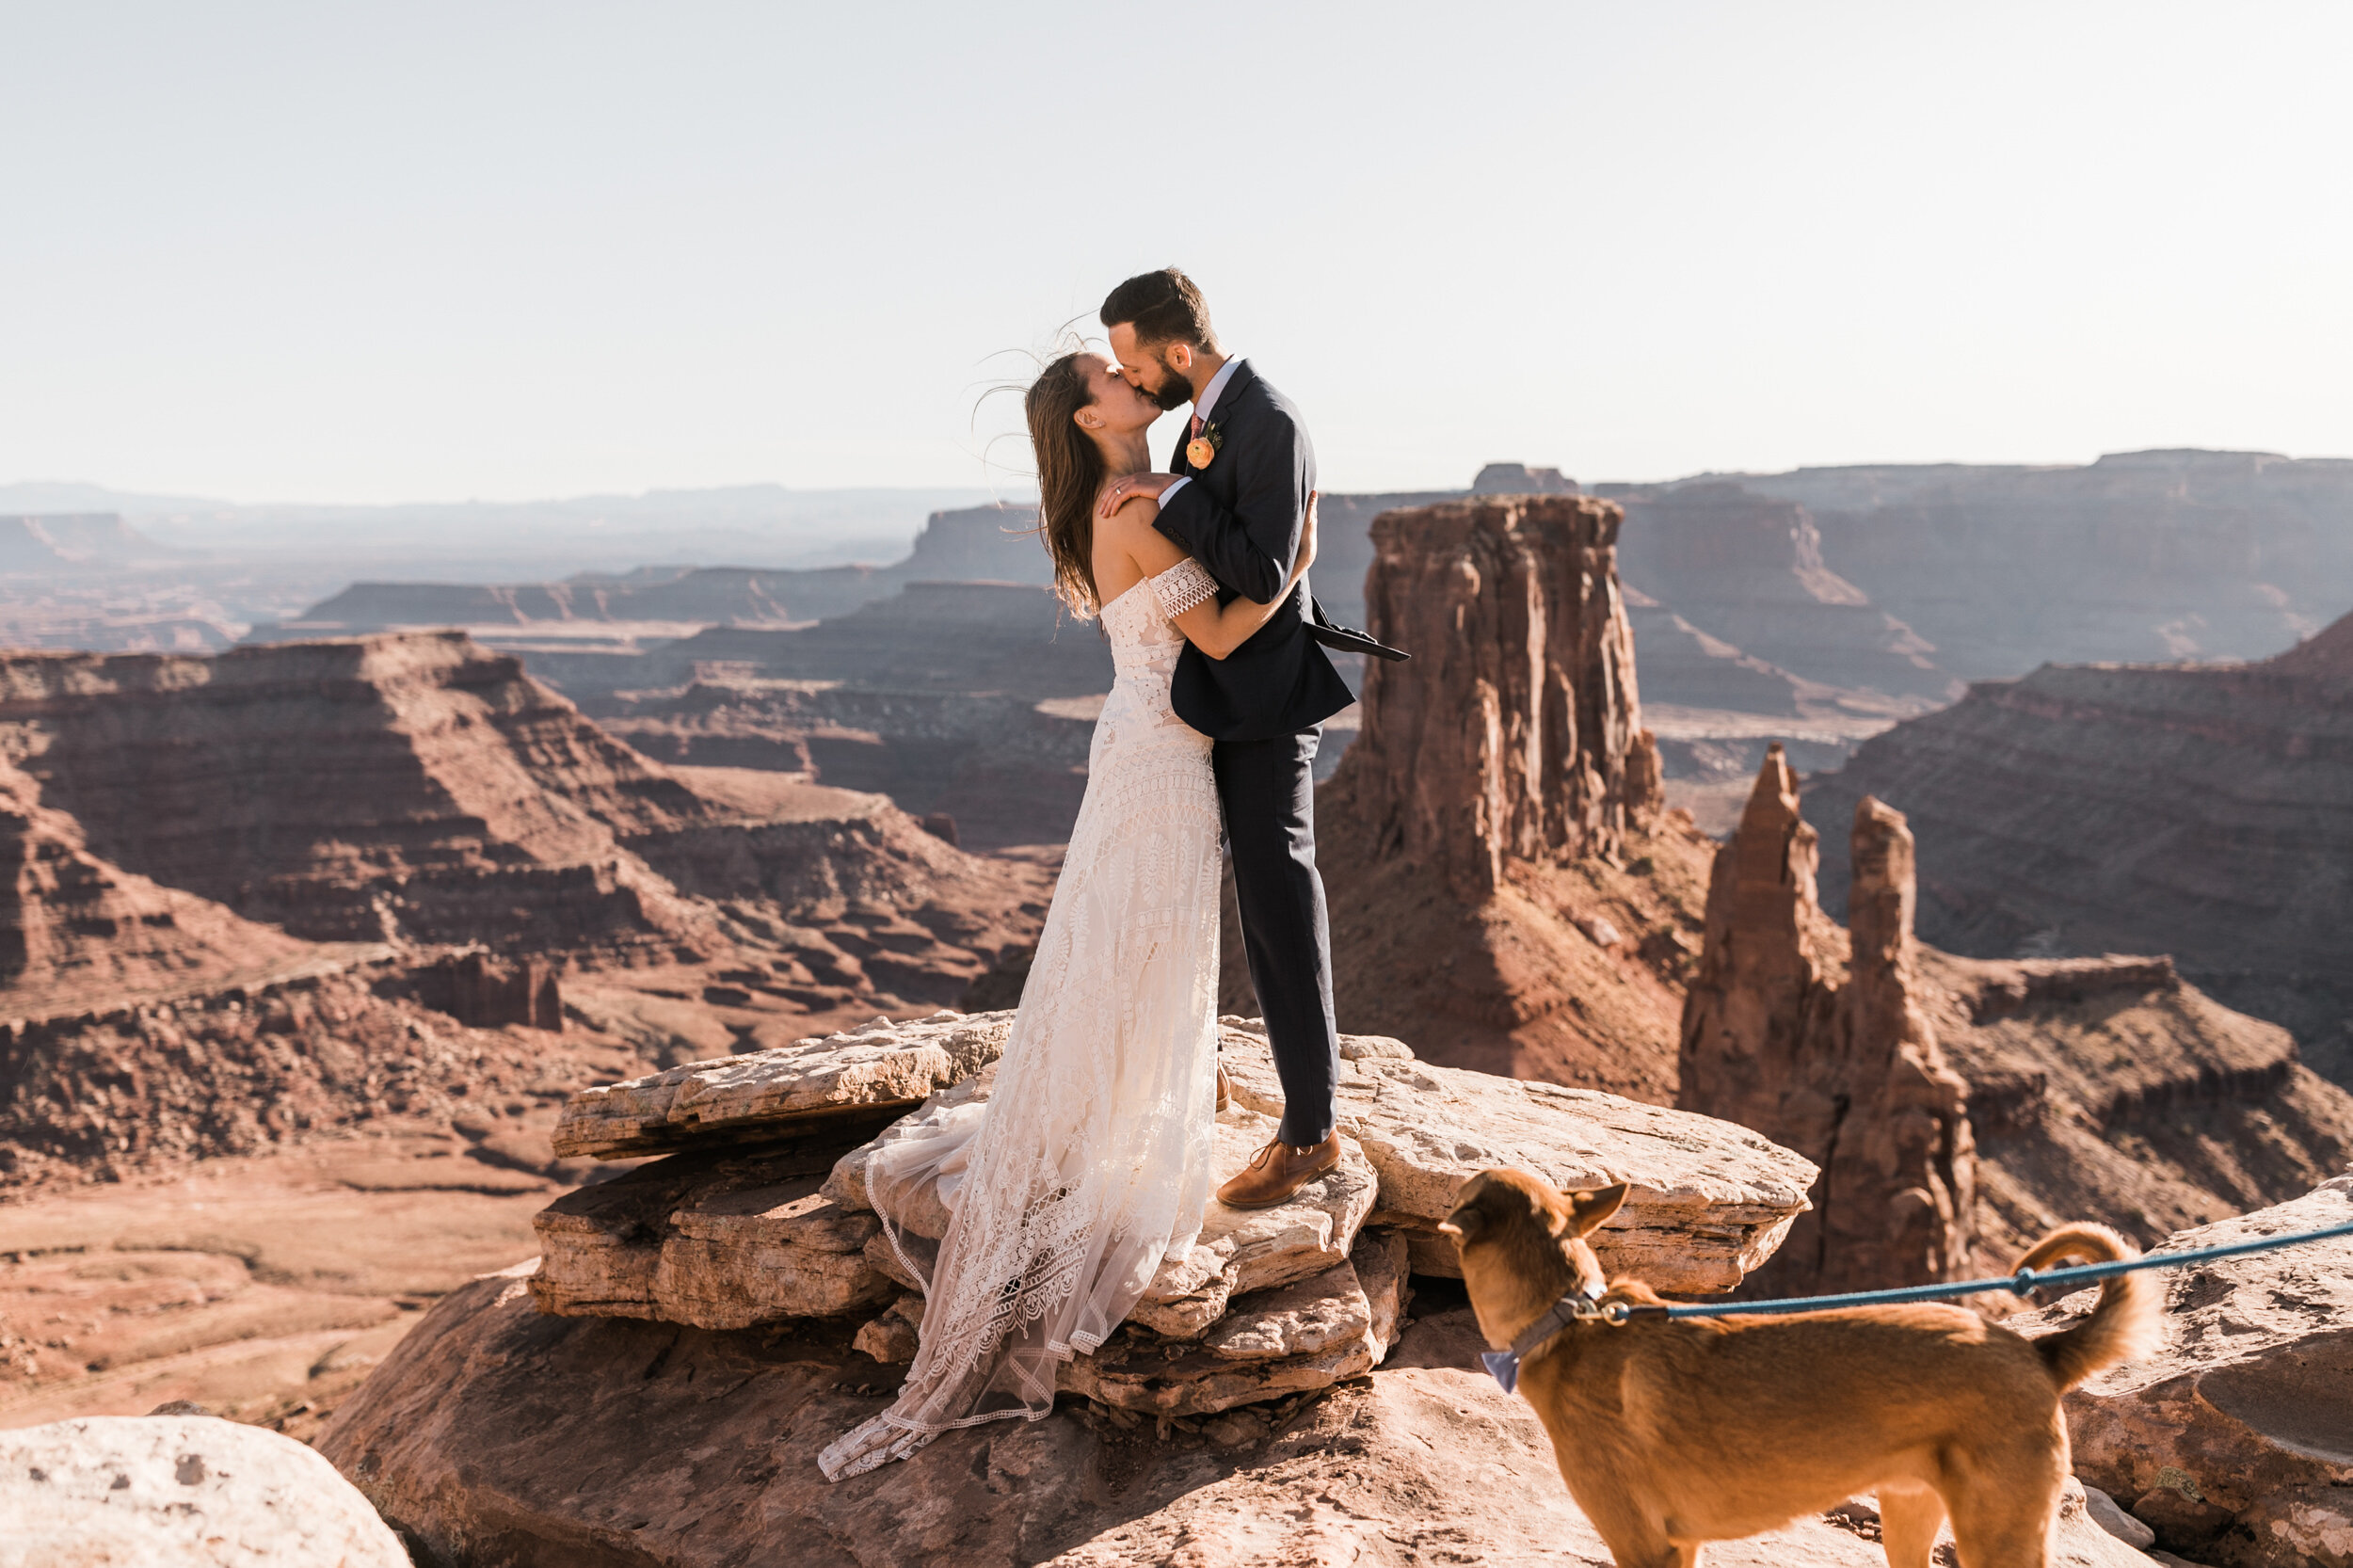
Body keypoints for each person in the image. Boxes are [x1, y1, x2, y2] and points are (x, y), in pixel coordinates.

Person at [818, 345, 1318, 1480]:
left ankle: (1105, 1122)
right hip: (1160, 767)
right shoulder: (1129, 506)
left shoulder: (1138, 495)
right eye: (1111, 376)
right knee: (1134, 951)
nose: (1132, 378)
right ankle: (1094, 1147)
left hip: (1145, 754)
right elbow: (1231, 633)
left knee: (1128, 951)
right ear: (1091, 419)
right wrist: (1306, 549)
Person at [1095, 266, 1405, 1210]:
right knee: (1243, 911)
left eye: (1131, 362)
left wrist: (1168, 492)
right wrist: (1174, 484)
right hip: (1221, 697)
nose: (1131, 378)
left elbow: (1262, 566)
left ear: (1176, 352)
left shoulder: (1265, 416)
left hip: (1265, 704)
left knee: (1278, 907)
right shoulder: (1208, 415)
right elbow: (1257, 557)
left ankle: (1310, 1130)